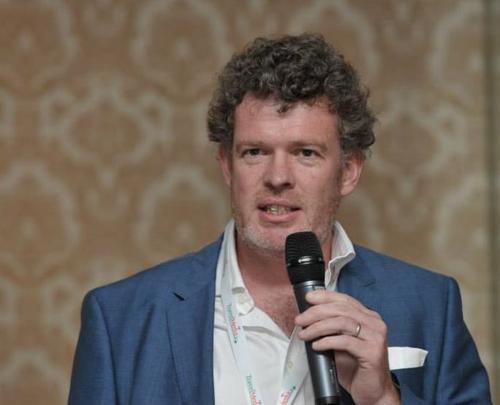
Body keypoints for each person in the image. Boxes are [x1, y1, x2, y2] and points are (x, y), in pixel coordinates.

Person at [68, 34, 491, 404]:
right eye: (255, 152)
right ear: (227, 166)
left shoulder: (429, 305)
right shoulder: (120, 319)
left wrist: (382, 398)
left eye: (306, 153)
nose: (277, 177)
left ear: (348, 171)